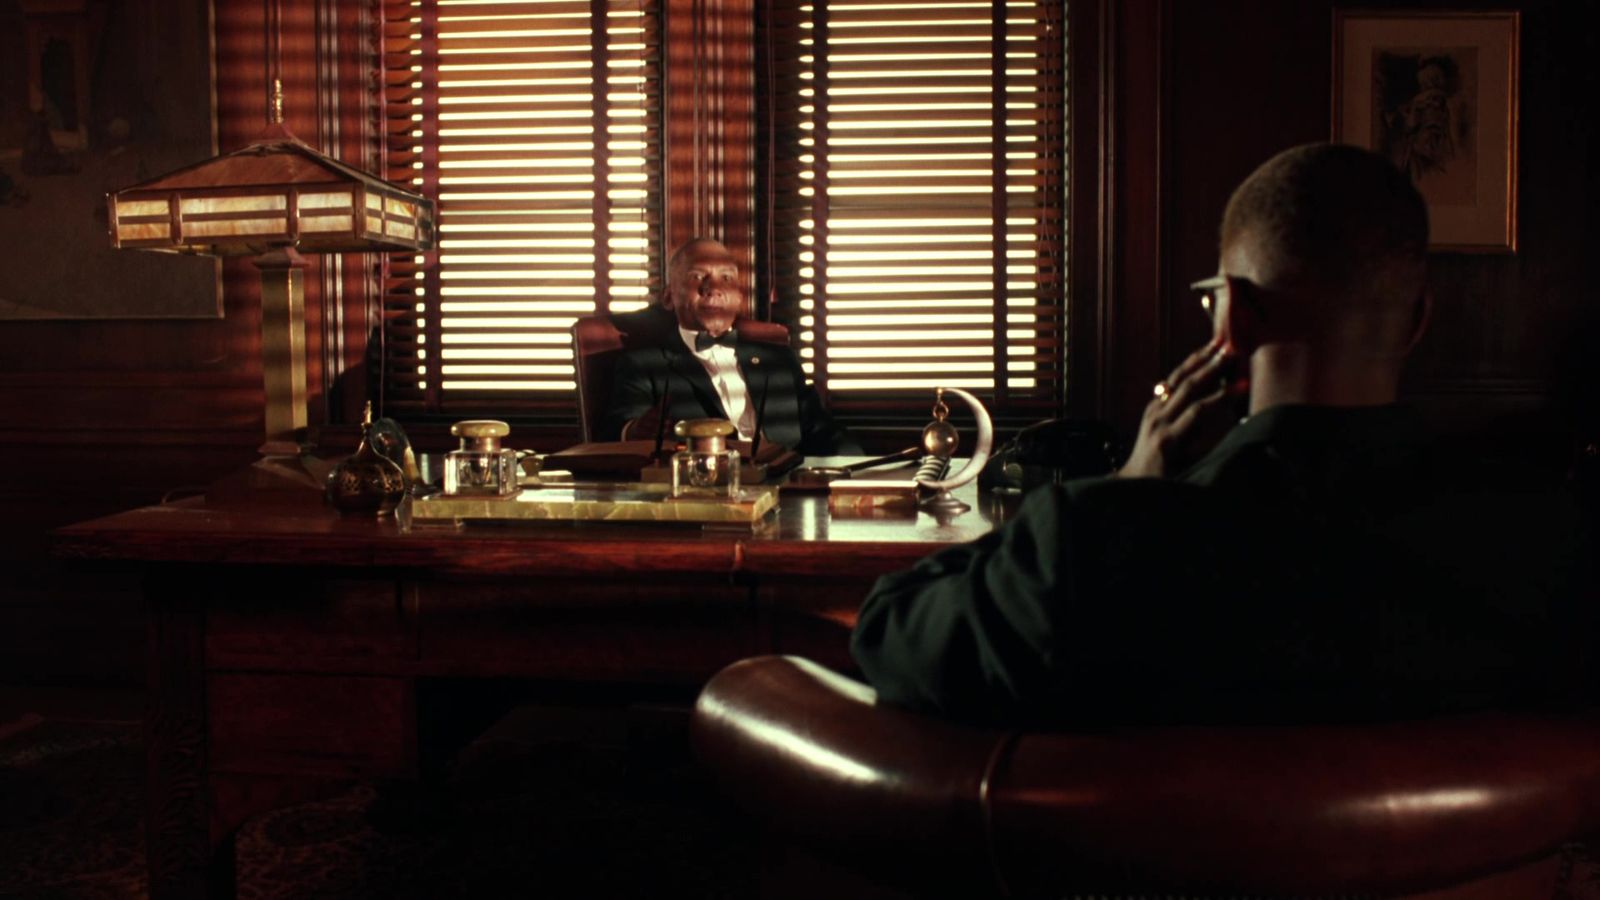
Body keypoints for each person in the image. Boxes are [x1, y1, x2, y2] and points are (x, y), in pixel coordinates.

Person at [850, 143, 1590, 727]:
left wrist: (1125, 489)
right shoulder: (1550, 539)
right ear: (1420, 321)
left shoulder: (1089, 549)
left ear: (1231, 314)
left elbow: (887, 627)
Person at [601, 237, 861, 456]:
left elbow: (821, 430)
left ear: (739, 297)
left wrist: (870, 469)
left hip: (787, 488)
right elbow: (619, 432)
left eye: (726, 278)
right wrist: (636, 431)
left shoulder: (778, 360)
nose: (713, 288)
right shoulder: (643, 365)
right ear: (669, 297)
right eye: (697, 277)